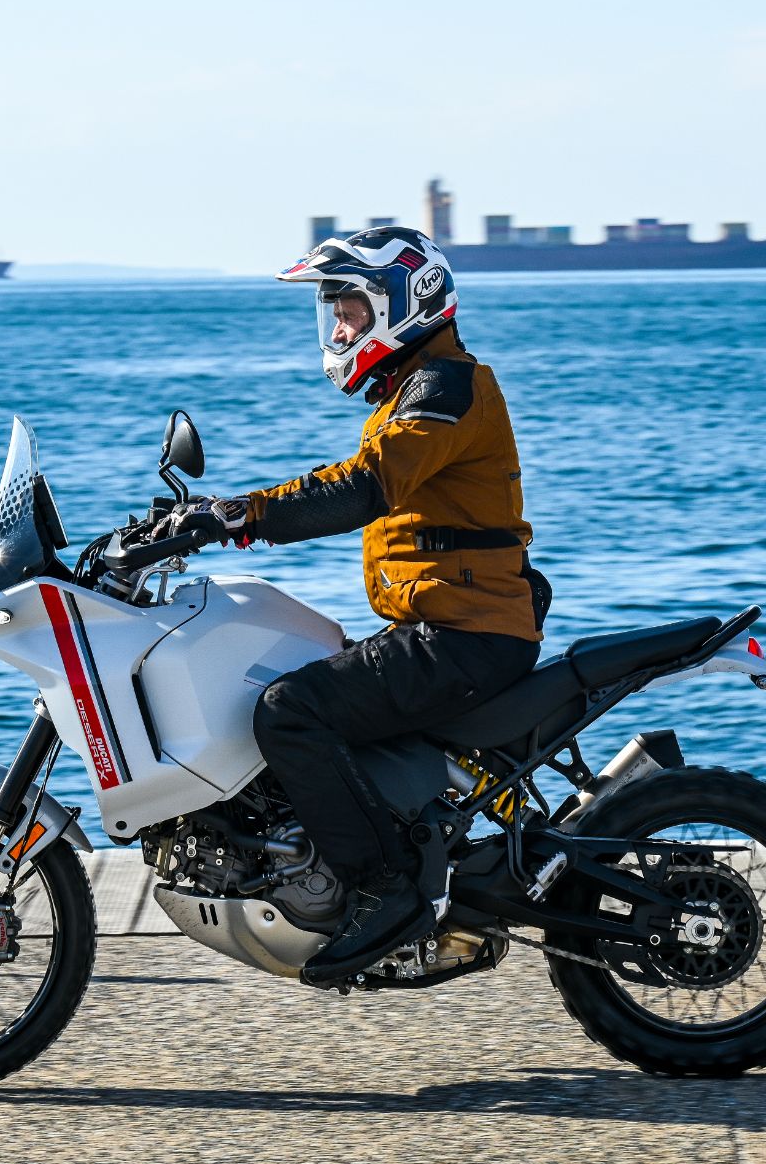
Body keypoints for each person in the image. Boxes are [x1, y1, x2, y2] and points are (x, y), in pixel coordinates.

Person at [162, 226, 548, 985]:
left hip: (465, 636)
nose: (339, 331)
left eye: (350, 313)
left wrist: (238, 515)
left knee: (290, 711)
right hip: (449, 626)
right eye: (335, 315)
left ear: (405, 304)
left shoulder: (445, 388)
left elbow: (364, 485)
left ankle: (384, 894)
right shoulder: (418, 388)